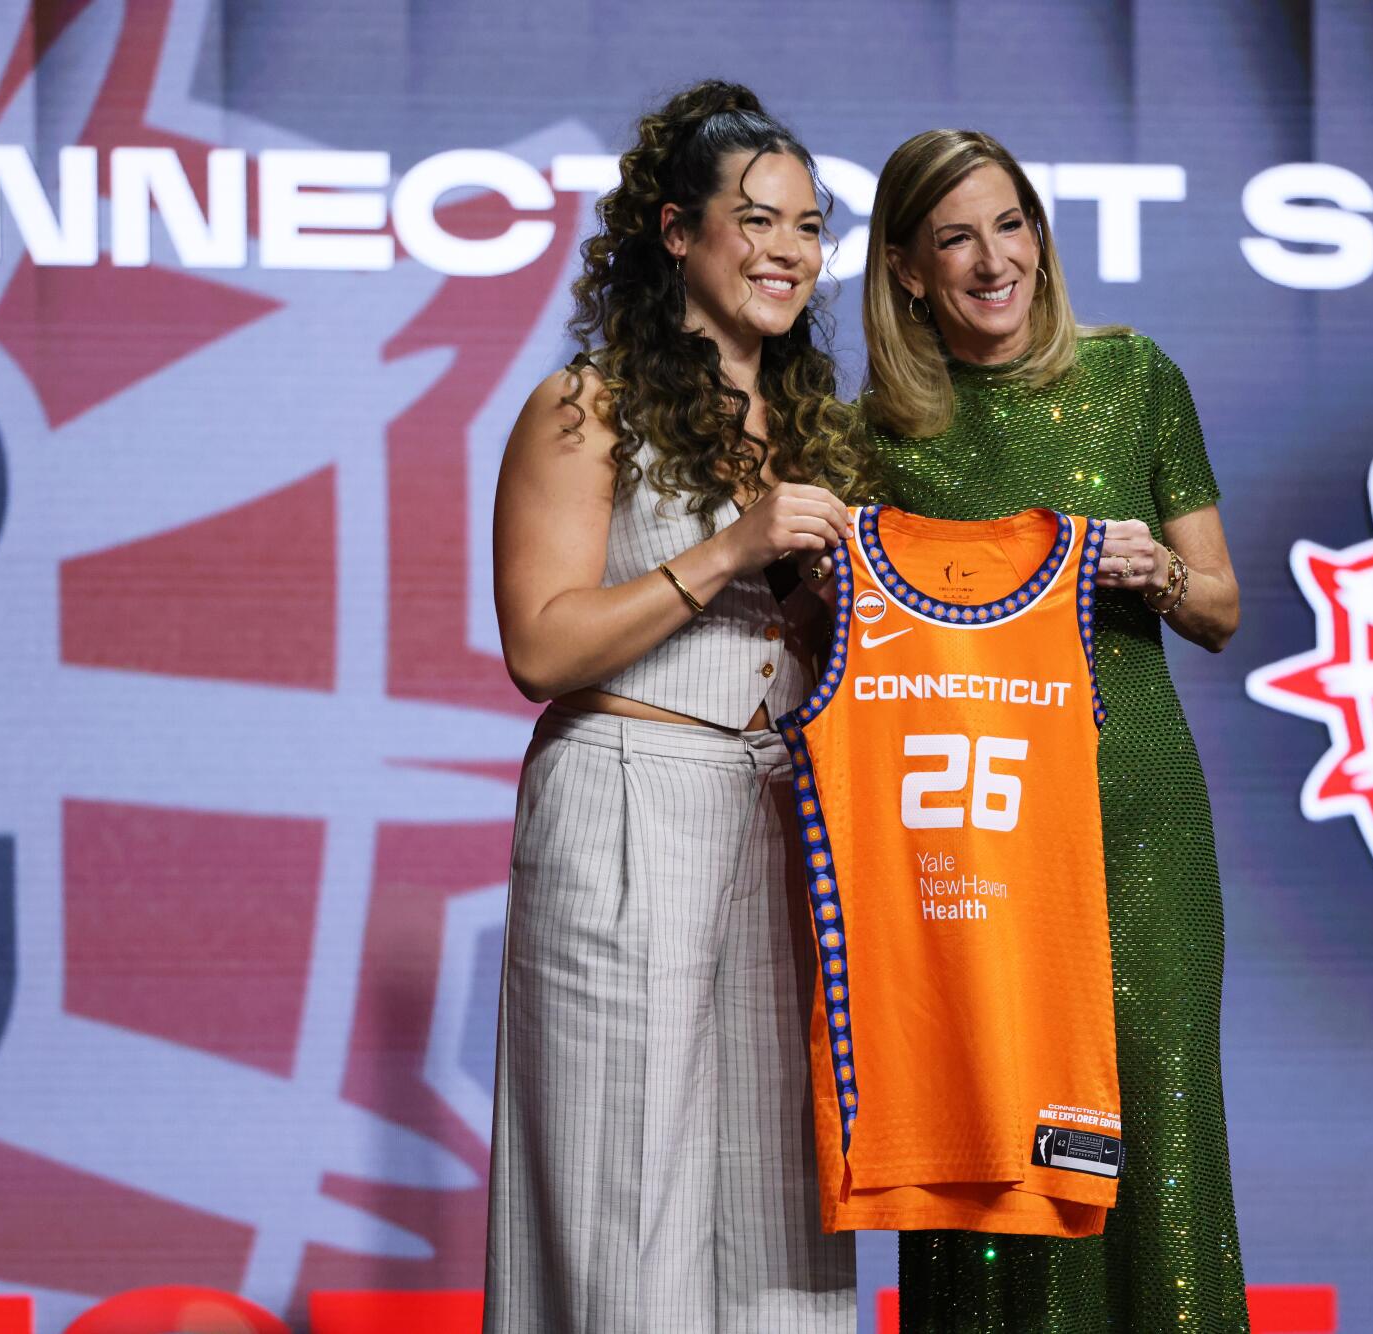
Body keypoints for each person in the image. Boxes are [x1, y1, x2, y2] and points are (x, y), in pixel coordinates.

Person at [484, 81, 866, 1332]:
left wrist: (819, 604)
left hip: (776, 819)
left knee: (780, 1203)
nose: (786, 252)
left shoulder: (817, 425)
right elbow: (540, 646)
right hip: (625, 798)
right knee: (619, 1186)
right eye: (753, 220)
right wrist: (729, 548)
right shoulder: (583, 407)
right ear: (673, 233)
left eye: (808, 226)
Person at [860, 128, 1250, 1332]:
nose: (993, 260)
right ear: (909, 270)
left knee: (1160, 1118)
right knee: (991, 1129)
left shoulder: (1136, 378)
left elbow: (1224, 609)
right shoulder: (869, 431)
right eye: (956, 237)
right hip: (976, 832)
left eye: (1010, 225)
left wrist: (1161, 578)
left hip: (1137, 815)